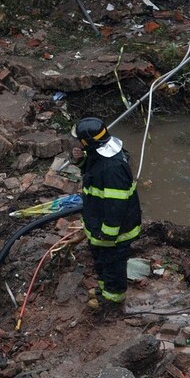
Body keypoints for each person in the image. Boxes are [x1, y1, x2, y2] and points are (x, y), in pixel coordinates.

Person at [70, 117, 142, 315]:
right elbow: (92, 171)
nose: (77, 143)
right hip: (99, 225)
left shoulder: (112, 168)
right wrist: (80, 159)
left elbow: (115, 206)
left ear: (89, 142)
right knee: (101, 261)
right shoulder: (99, 153)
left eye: (80, 141)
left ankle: (111, 302)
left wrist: (107, 234)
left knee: (113, 265)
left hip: (114, 232)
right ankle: (104, 290)